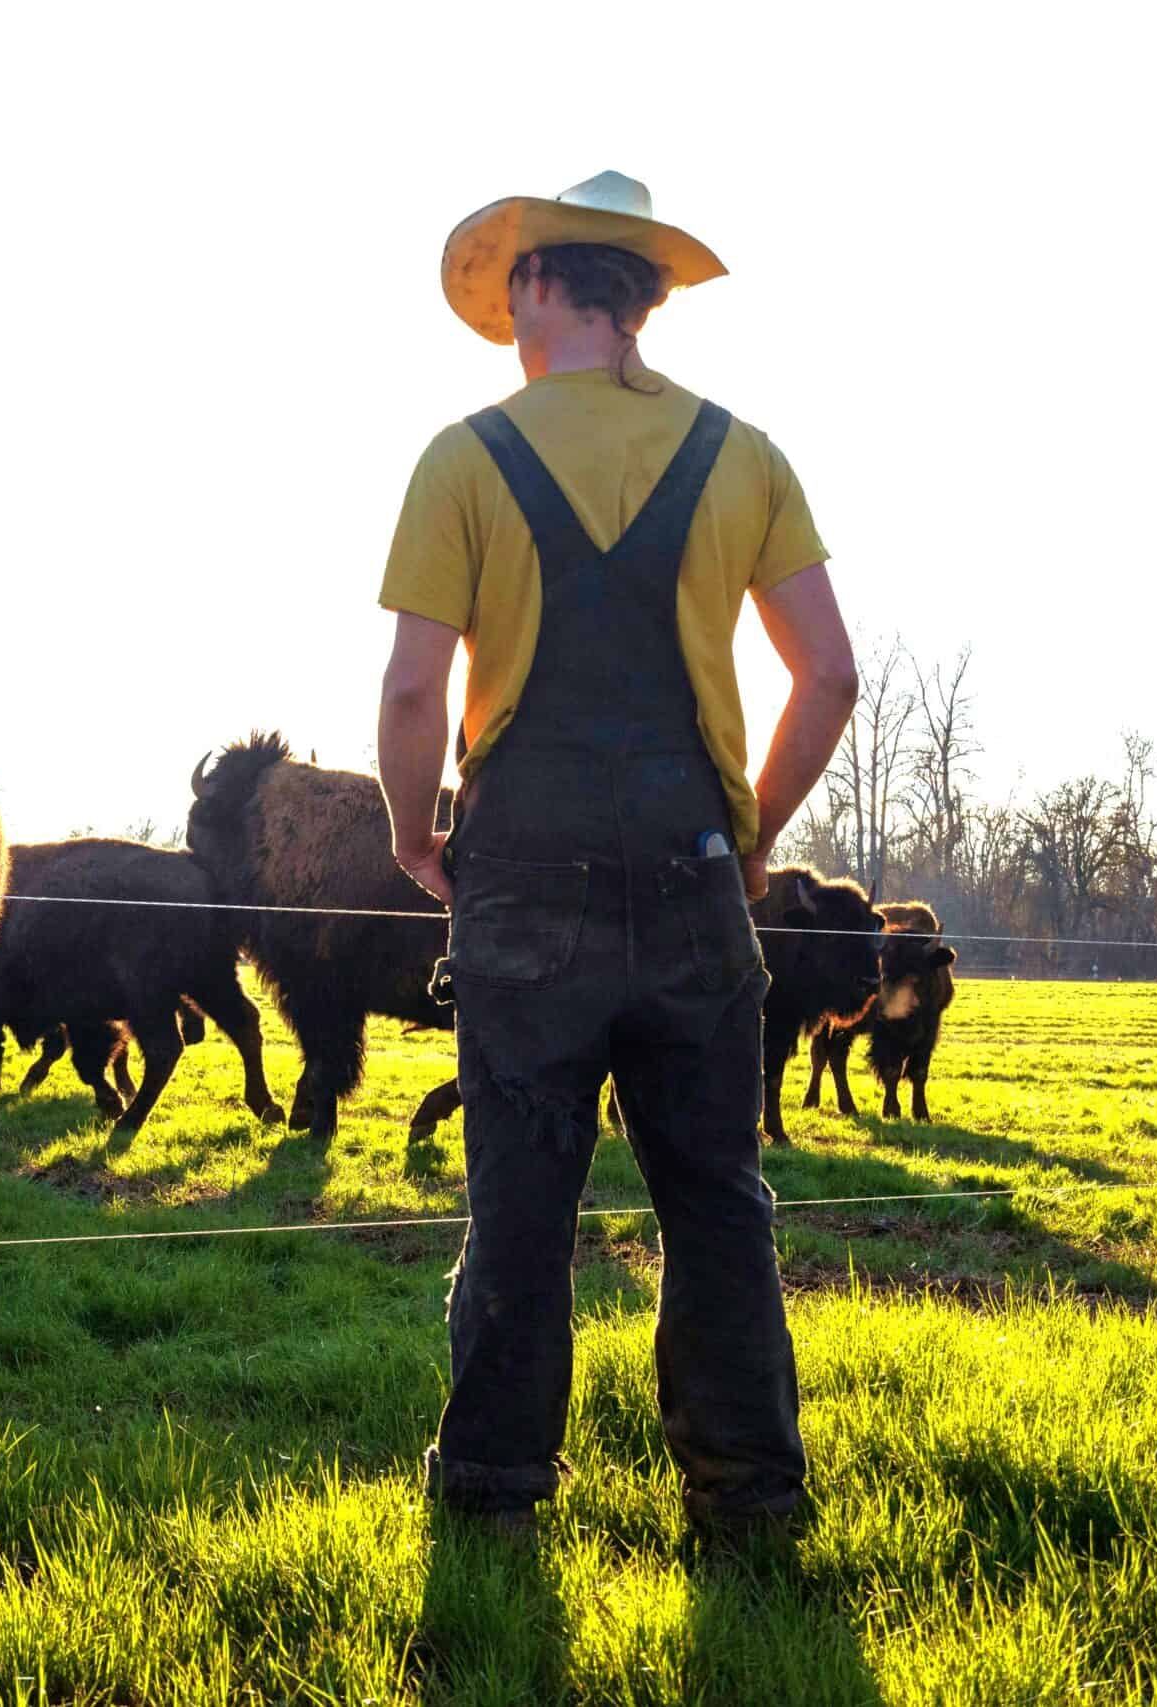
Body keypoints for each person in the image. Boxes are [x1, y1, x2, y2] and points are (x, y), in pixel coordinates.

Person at [375, 171, 859, 1536]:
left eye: (510, 286)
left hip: (521, 876)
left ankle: (491, 1497)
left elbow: (416, 695)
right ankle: (750, 1499)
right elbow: (826, 678)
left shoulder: (466, 457)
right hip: (698, 866)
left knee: (520, 1204)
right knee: (717, 1202)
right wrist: (749, 840)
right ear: (641, 296)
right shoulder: (746, 456)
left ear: (540, 286)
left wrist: (417, 835)